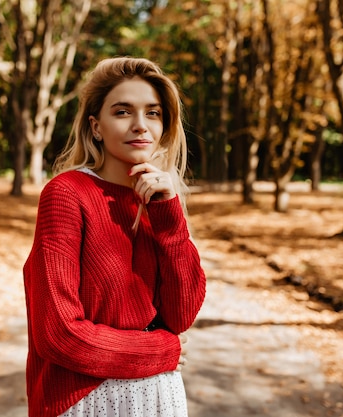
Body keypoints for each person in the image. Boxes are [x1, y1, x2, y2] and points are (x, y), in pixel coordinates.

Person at [23, 56, 206, 417]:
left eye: (153, 113)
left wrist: (170, 216)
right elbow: (58, 334)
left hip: (160, 396)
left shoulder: (161, 200)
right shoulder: (67, 193)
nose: (141, 126)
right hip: (86, 399)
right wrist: (159, 351)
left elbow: (180, 315)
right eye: (123, 112)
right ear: (96, 127)